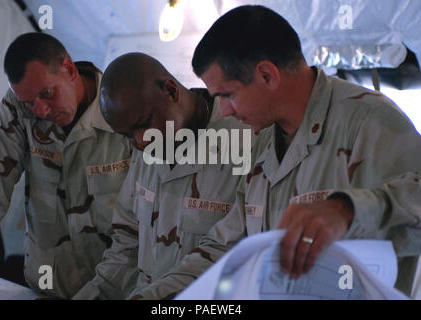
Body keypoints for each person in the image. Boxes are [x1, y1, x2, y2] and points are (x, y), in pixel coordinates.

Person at [130, 5, 421, 299]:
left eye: (227, 95)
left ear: (266, 75)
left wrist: (347, 209)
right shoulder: (263, 141)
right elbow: (224, 250)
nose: (224, 111)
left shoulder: (368, 122)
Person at [72, 52, 254, 299]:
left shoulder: (246, 143)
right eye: (127, 135)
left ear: (170, 91)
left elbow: (232, 255)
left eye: (143, 123)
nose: (139, 142)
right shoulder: (145, 148)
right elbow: (126, 246)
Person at [0, 32, 132, 299]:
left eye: (47, 94)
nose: (41, 111)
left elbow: (142, 230)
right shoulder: (18, 108)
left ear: (69, 69)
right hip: (49, 287)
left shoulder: (125, 111)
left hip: (115, 291)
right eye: (30, 103)